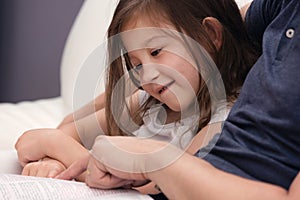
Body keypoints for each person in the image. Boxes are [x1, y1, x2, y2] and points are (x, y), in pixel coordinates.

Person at [55, 0, 300, 199]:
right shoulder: (148, 100)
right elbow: (225, 24)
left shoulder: (220, 117)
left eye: (156, 52)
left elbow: (150, 187)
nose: (146, 74)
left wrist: (58, 150)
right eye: (136, 64)